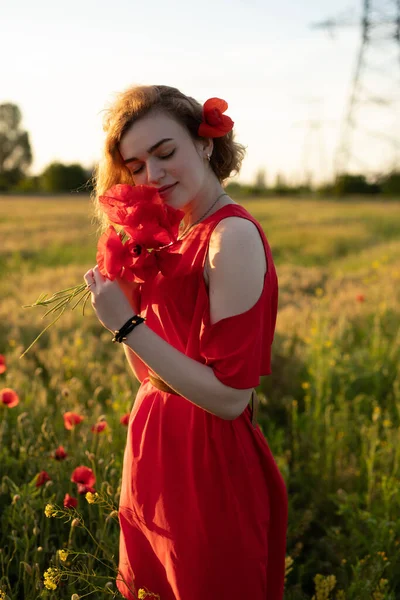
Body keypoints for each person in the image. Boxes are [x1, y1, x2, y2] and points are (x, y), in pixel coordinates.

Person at [83, 84, 288, 600]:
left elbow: (229, 397)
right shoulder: (173, 234)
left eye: (165, 152)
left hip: (207, 459)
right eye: (134, 165)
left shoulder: (230, 237)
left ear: (203, 143)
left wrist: (127, 326)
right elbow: (151, 373)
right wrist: (128, 299)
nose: (152, 175)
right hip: (155, 441)